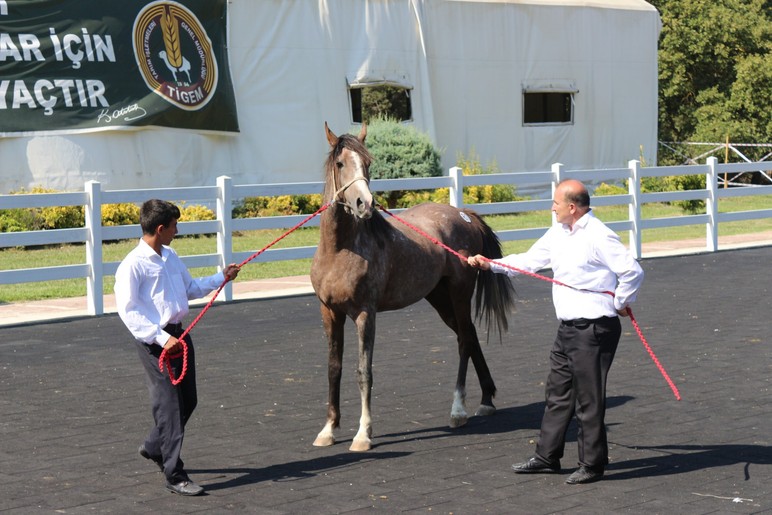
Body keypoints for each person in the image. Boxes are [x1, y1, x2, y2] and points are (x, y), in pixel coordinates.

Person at [468, 179, 644, 485]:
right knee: (557, 394)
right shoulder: (558, 234)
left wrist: (619, 302)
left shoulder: (598, 235)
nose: (552, 207)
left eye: (556, 203)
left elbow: (632, 271)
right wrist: (490, 265)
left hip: (594, 329)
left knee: (588, 400)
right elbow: (528, 262)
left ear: (572, 207)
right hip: (568, 329)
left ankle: (592, 464)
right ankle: (547, 457)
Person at [114, 199, 240, 496]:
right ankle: (174, 474)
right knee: (169, 407)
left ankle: (154, 446)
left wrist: (221, 277)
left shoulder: (170, 256)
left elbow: (190, 289)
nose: (177, 230)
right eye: (173, 226)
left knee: (188, 400)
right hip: (155, 343)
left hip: (179, 337)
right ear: (160, 228)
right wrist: (161, 338)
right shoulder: (133, 265)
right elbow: (129, 312)